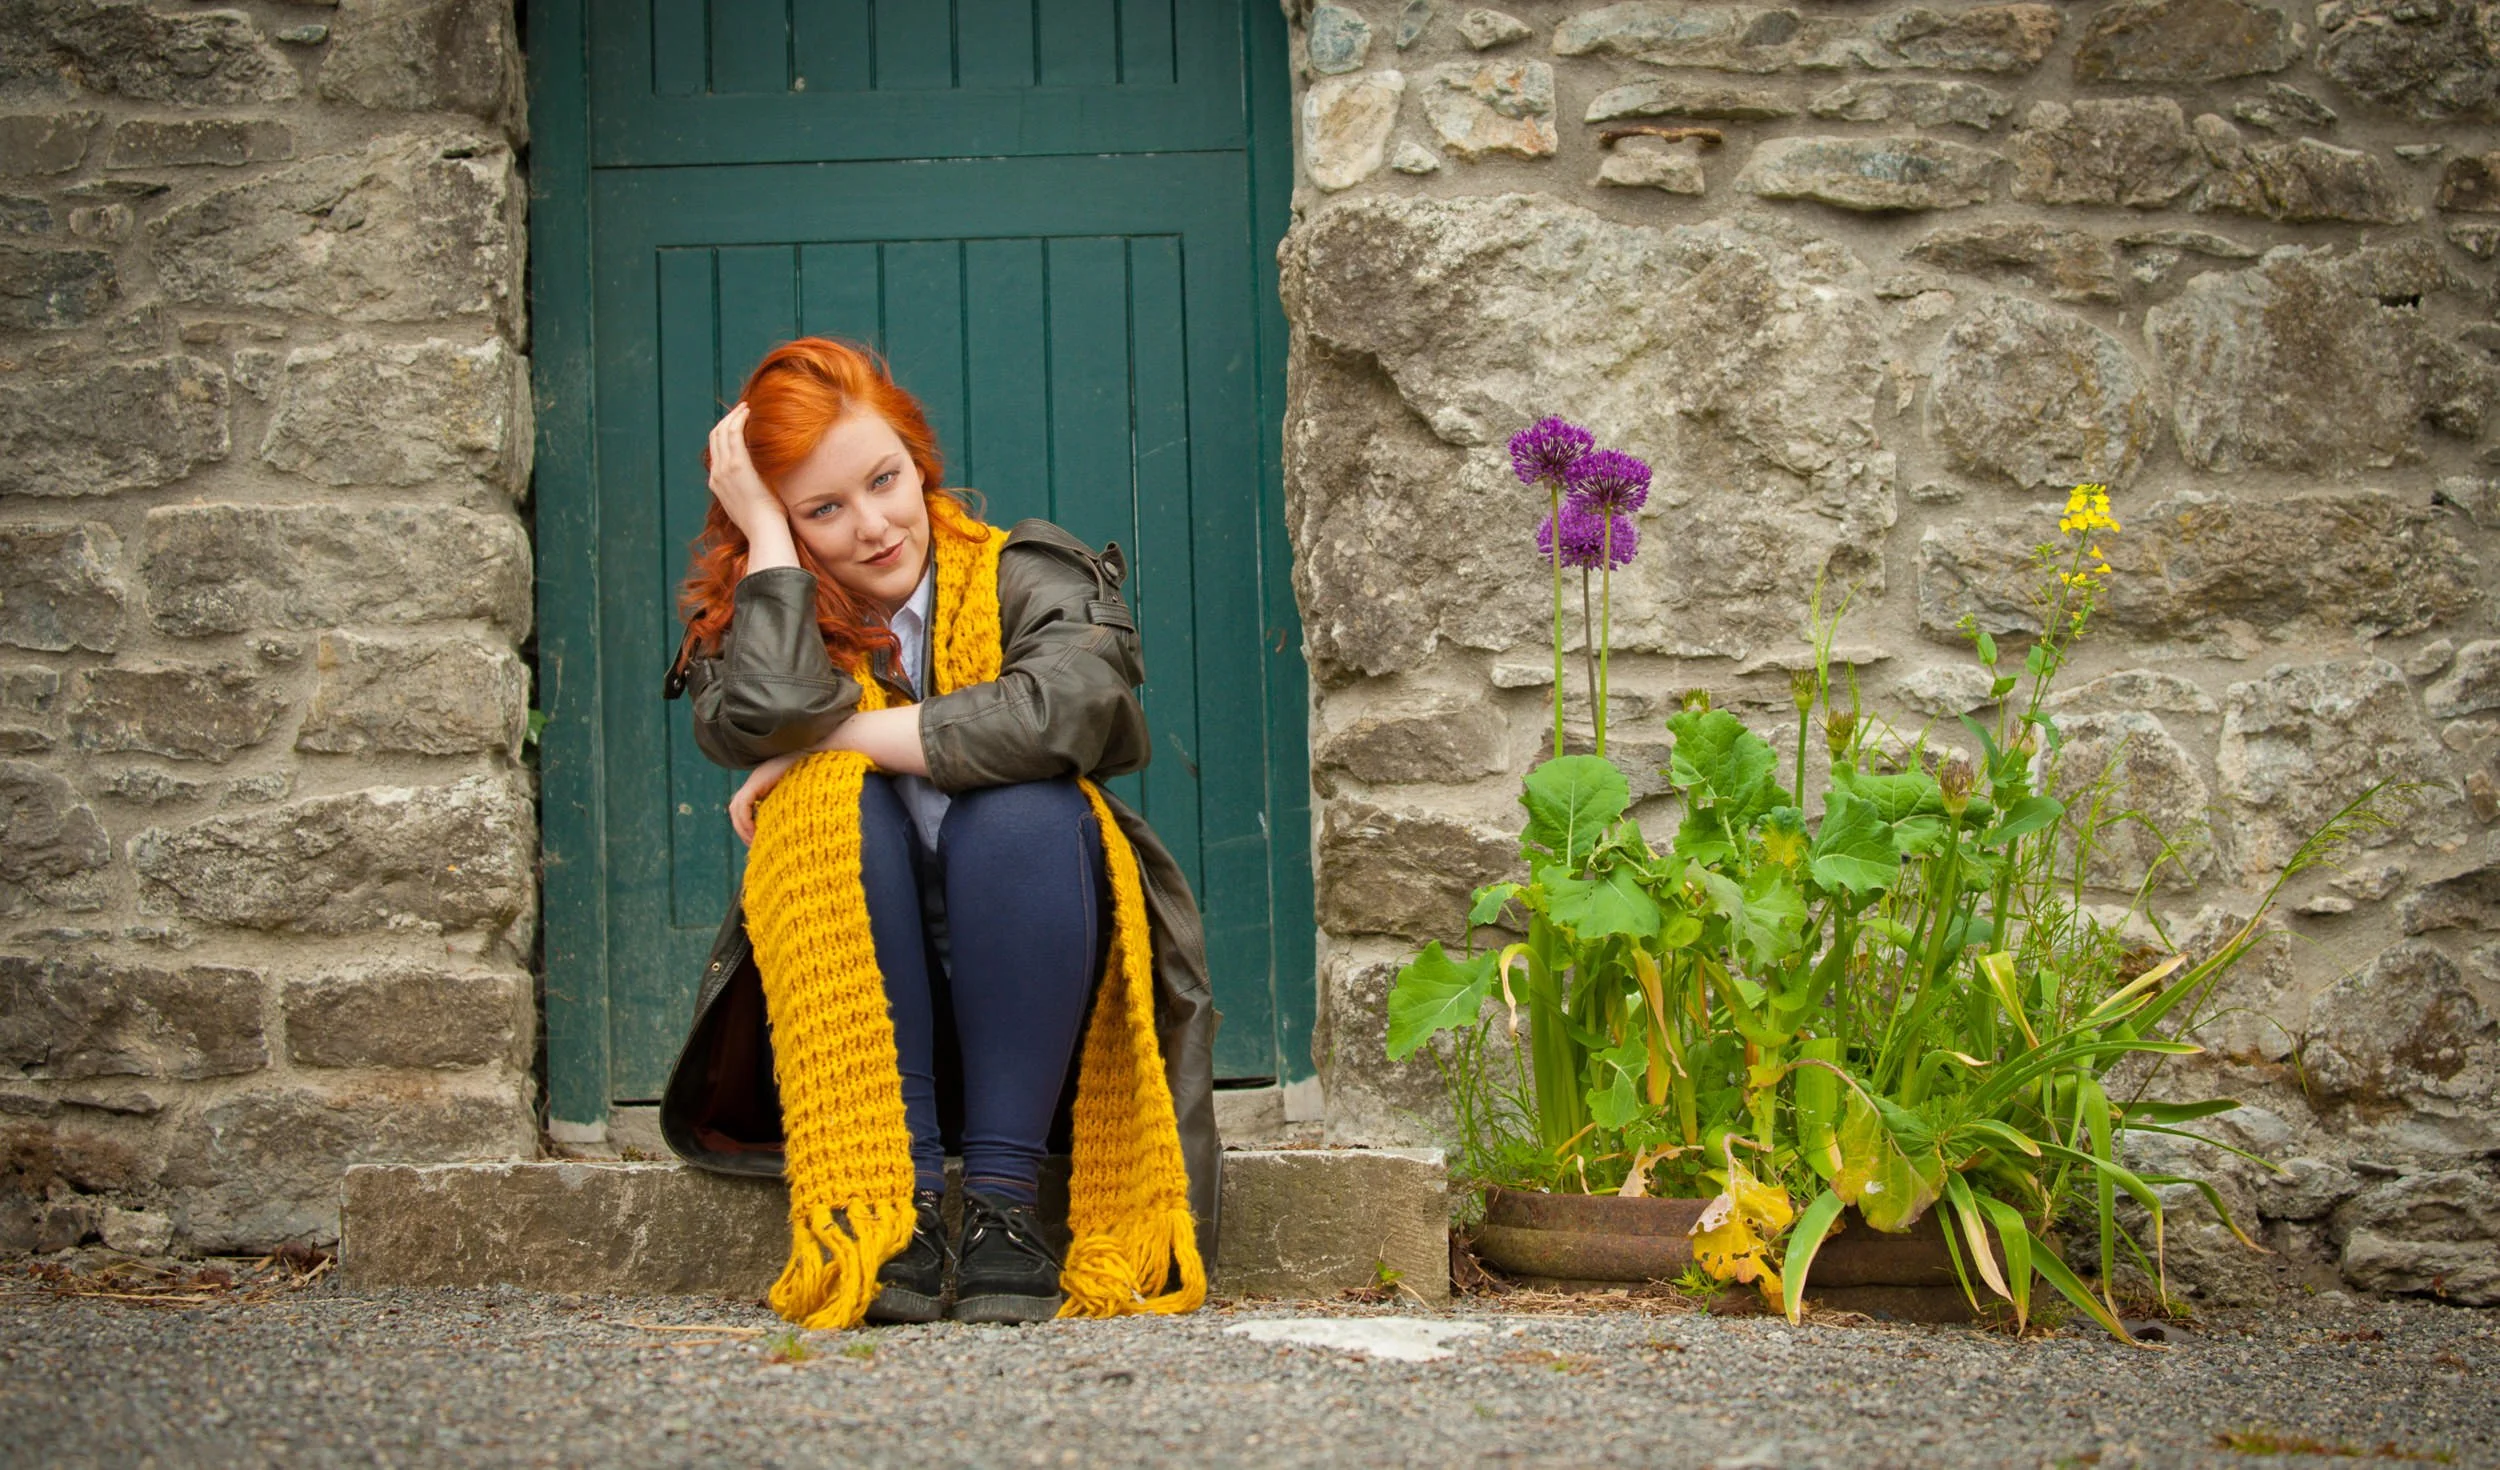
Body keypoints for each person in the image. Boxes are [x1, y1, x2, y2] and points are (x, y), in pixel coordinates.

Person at [656, 338, 1220, 1329]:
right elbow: (769, 713)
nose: (873, 527)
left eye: (884, 480)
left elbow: (1073, 709)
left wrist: (843, 731)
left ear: (919, 460)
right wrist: (770, 554)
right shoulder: (750, 629)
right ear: (779, 520)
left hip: (1050, 1042)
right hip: (865, 1059)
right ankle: (899, 1204)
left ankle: (1001, 1210)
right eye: (822, 509)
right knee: (837, 799)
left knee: (1029, 802)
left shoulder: (1027, 573)